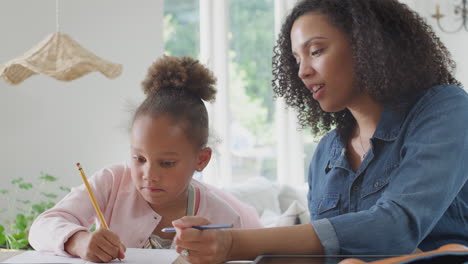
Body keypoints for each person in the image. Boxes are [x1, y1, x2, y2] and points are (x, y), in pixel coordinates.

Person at [170, 0, 468, 263]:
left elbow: (396, 226)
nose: (302, 71)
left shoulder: (446, 109)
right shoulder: (326, 154)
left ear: (367, 44)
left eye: (316, 51)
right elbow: (324, 253)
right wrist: (212, 250)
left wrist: (235, 243)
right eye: (297, 60)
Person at [28, 56, 262, 263]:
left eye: (167, 163)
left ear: (201, 159)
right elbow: (41, 227)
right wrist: (78, 241)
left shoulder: (223, 217)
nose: (149, 174)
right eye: (139, 158)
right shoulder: (111, 182)